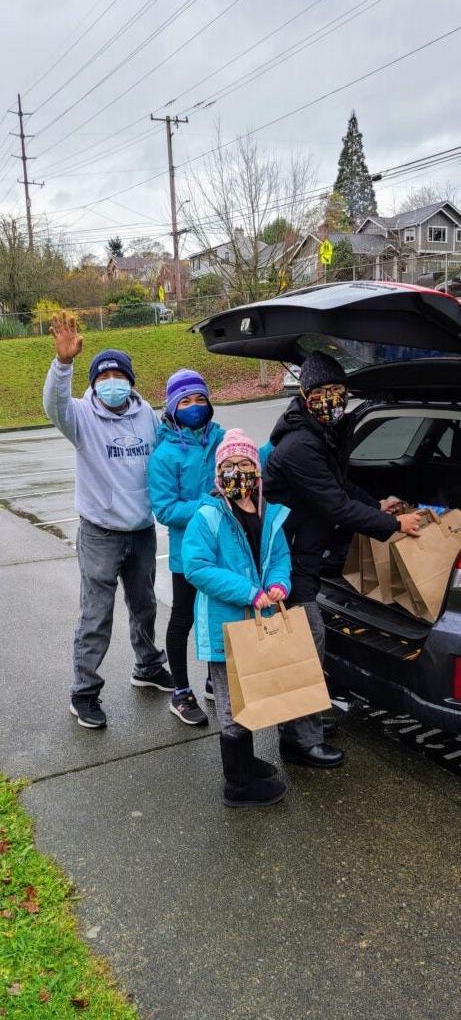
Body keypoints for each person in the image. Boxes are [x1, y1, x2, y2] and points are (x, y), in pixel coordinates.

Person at [262, 350, 422, 765]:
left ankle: (307, 718)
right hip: (287, 559)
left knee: (307, 644)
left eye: (338, 390)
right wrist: (393, 527)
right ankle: (299, 741)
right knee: (304, 645)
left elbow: (344, 488)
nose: (332, 398)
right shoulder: (300, 445)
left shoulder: (318, 434)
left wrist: (378, 504)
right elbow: (334, 505)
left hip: (305, 553)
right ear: (305, 393)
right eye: (323, 391)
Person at [43, 311, 172, 730]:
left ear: (130, 382)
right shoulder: (80, 417)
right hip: (100, 532)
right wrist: (63, 365)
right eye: (104, 375)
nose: (111, 381)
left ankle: (148, 667)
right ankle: (83, 692)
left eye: (119, 375)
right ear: (95, 382)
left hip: (141, 530)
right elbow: (54, 405)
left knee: (146, 606)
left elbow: (168, 455)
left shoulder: (146, 416)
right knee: (96, 615)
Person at [182, 428, 293, 808]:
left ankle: (245, 760)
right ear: (218, 474)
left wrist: (279, 582)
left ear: (257, 471)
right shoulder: (208, 516)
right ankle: (238, 784)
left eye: (245, 463)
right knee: (231, 703)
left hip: (257, 623)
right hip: (224, 626)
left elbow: (279, 557)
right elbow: (197, 567)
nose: (238, 471)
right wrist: (248, 592)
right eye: (228, 465)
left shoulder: (268, 512)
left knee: (251, 693)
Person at [148, 369, 225, 726]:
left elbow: (249, 463)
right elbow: (164, 509)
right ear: (172, 407)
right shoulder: (165, 454)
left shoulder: (221, 439)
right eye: (185, 401)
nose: (194, 407)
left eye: (200, 399)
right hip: (188, 553)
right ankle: (180, 692)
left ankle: (216, 680)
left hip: (225, 549)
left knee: (221, 617)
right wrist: (208, 504)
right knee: (184, 618)